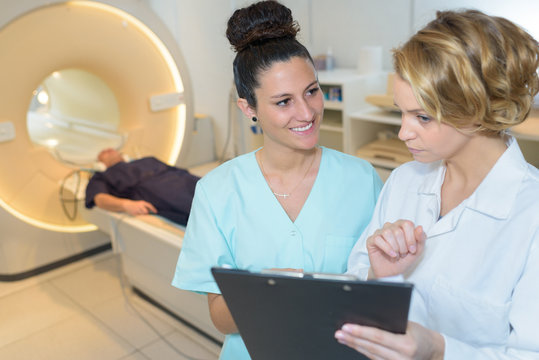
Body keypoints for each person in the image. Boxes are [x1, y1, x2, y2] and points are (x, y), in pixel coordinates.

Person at [171, 1, 383, 359]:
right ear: (248, 108)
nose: (306, 112)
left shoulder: (362, 179)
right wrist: (264, 295)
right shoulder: (217, 191)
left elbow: (380, 290)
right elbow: (220, 319)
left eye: (312, 91)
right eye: (283, 101)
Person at [336, 9, 539, 359]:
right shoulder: (403, 182)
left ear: (475, 109)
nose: (403, 132)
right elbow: (353, 295)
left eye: (422, 117)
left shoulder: (530, 215)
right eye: (400, 112)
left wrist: (436, 350)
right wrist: (379, 278)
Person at [85, 148, 199, 226]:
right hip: (159, 190)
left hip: (186, 179)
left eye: (112, 149)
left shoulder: (147, 159)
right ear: (99, 163)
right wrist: (126, 205)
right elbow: (99, 199)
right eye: (104, 153)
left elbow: (180, 171)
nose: (108, 149)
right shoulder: (102, 176)